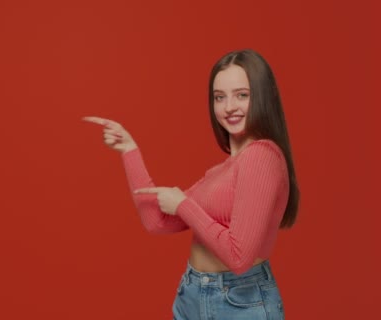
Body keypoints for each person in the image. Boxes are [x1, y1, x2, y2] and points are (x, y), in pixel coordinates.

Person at [83, 49, 299, 320]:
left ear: (262, 97)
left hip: (238, 303)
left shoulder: (262, 156)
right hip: (192, 296)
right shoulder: (221, 171)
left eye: (242, 95)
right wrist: (129, 150)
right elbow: (157, 221)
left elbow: (239, 257)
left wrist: (184, 205)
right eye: (219, 97)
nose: (229, 106)